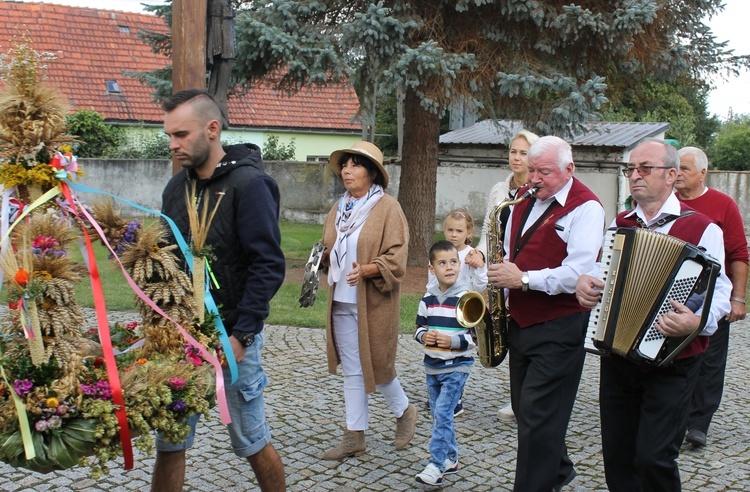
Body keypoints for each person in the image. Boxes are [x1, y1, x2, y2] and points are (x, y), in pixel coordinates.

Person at [576, 138, 732, 491]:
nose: (635, 175)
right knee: (617, 453)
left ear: (671, 175)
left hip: (674, 359)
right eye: (631, 169)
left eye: (645, 168)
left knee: (654, 456)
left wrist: (697, 321)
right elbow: (602, 278)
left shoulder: (702, 227)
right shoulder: (619, 225)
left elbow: (720, 293)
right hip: (617, 356)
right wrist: (587, 286)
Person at [155, 89, 286, 492]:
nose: (173, 144)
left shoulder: (251, 185)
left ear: (212, 129)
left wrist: (242, 335)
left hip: (233, 338)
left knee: (252, 441)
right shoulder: (176, 188)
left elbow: (268, 265)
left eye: (181, 134)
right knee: (169, 442)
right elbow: (166, 259)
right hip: (182, 338)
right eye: (169, 136)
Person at [487, 135, 605, 491]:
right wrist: (494, 280)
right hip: (521, 322)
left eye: (545, 172)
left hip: (560, 325)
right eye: (532, 170)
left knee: (537, 415)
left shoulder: (588, 208)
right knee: (527, 411)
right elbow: (509, 253)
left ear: (570, 170)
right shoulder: (522, 200)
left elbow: (579, 271)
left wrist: (521, 279)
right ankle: (558, 470)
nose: (534, 178)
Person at [319, 141, 416, 460]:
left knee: (378, 363)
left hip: (373, 300)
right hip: (341, 301)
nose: (347, 170)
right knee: (352, 369)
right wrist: (318, 258)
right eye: (344, 164)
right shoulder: (339, 207)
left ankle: (404, 412)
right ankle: (354, 435)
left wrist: (370, 269)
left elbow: (398, 256)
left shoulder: (388, 208)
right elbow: (327, 245)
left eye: (355, 164)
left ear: (372, 173)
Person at [675, 146, 748, 448]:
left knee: (711, 361)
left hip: (711, 297)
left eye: (685, 169)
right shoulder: (666, 203)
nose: (677, 174)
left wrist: (738, 299)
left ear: (703, 173)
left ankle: (699, 422)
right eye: (675, 168)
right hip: (670, 298)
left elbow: (739, 254)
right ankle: (673, 416)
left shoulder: (723, 204)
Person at [471, 129, 539, 422]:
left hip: (523, 270)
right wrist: (479, 255)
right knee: (504, 329)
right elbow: (489, 229)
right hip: (500, 269)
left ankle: (525, 399)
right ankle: (516, 398)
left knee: (524, 335)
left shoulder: (538, 191)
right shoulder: (500, 190)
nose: (516, 157)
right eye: (513, 151)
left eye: (523, 153)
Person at [414, 240, 477, 486]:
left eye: (453, 262)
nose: (449, 267)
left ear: (459, 265)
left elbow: (473, 339)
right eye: (442, 263)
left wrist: (451, 341)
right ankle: (451, 458)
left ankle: (436, 465)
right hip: (432, 367)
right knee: (440, 416)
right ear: (432, 269)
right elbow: (419, 328)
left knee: (442, 413)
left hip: (457, 367)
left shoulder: (466, 299)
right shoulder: (427, 299)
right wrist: (424, 336)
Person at [426, 208, 487, 416]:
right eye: (450, 230)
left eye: (459, 231)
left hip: (463, 312)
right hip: (442, 310)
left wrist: (479, 267)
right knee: (439, 348)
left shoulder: (471, 255)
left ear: (469, 233)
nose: (454, 234)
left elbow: (480, 285)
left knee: (460, 353)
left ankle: (455, 395)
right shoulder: (438, 253)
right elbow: (431, 282)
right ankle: (439, 389)